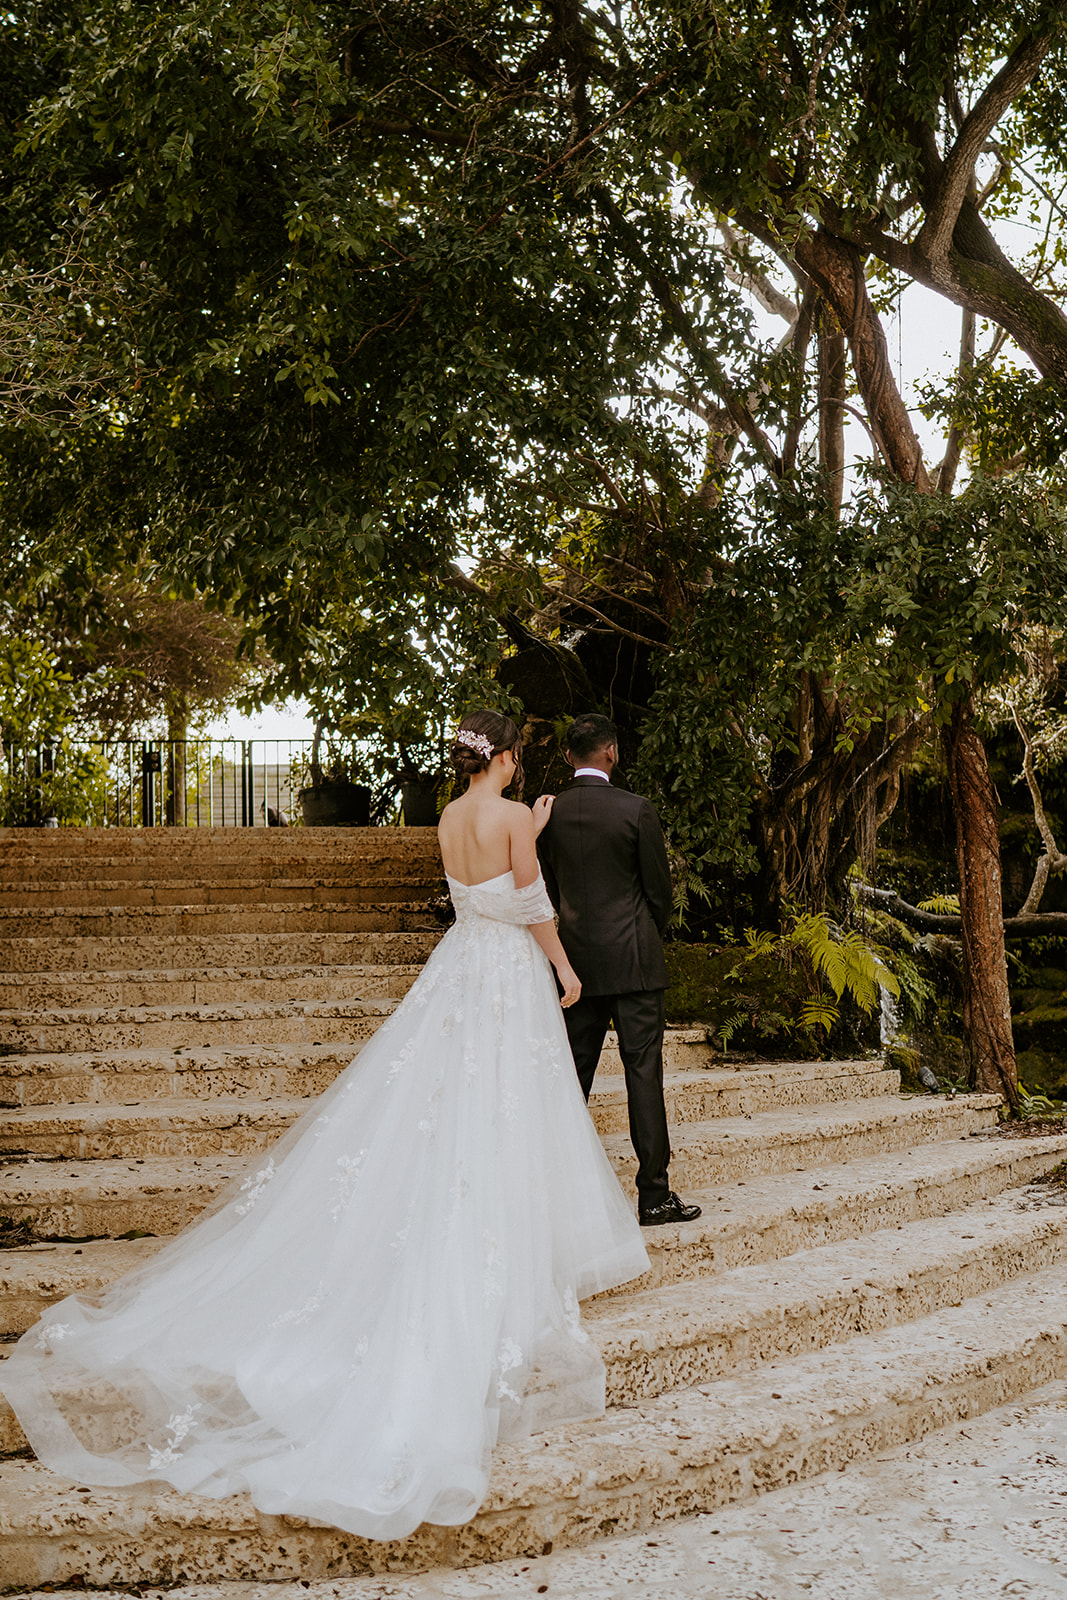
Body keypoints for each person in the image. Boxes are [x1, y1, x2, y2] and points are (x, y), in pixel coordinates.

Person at [0, 709, 648, 1542]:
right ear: (512, 758)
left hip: (458, 964)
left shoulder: (451, 816)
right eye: (519, 759)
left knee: (442, 1098)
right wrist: (562, 965)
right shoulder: (516, 813)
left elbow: (476, 891)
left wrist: (533, 829)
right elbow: (529, 902)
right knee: (503, 1099)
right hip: (505, 971)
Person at [538, 713, 702, 1228]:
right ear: (611, 752)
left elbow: (542, 888)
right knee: (644, 1077)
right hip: (635, 966)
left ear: (569, 757)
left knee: (570, 1082)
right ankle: (654, 1196)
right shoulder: (637, 810)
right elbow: (659, 893)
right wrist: (642, 938)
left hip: (573, 968)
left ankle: (552, 1195)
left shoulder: (545, 815)